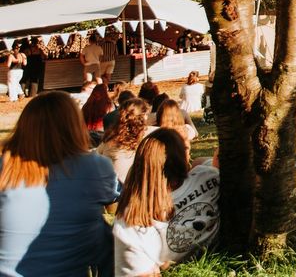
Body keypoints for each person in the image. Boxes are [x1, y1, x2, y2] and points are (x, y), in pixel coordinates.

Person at [0, 91, 120, 277]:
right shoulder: (95, 166)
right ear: (74, 126)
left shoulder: (5, 167)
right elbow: (120, 202)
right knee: (103, 229)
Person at [112, 128, 220, 276]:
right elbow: (211, 161)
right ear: (182, 157)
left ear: (140, 165)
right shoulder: (209, 178)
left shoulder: (130, 223)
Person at [99, 98, 153, 183]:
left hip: (107, 185)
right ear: (142, 117)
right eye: (146, 115)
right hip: (124, 189)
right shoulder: (144, 140)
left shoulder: (110, 137)